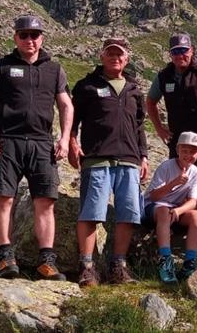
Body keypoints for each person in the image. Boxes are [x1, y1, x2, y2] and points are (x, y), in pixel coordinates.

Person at [0, 15, 73, 280]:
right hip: (7, 140)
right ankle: (5, 257)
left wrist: (65, 138)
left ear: (42, 37)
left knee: (45, 202)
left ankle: (46, 261)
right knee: (5, 198)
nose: (29, 40)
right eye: (24, 35)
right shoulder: (1, 66)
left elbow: (66, 105)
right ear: (15, 38)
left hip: (43, 143)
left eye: (34, 35)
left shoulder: (54, 69)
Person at [69, 37, 149, 287]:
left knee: (128, 214)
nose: (115, 58)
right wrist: (71, 141)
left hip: (128, 159)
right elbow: (72, 119)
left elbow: (139, 127)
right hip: (96, 158)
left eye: (120, 54)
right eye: (110, 54)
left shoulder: (134, 90)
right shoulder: (86, 86)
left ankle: (118, 267)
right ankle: (87, 267)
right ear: (101, 57)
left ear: (127, 59)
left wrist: (143, 156)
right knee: (91, 214)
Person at [145, 33, 197, 215]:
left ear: (191, 50)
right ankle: (173, 210)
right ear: (170, 54)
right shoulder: (163, 76)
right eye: (176, 51)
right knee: (176, 174)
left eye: (184, 50)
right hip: (179, 135)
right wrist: (159, 128)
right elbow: (150, 102)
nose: (180, 55)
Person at [142, 131, 197, 284]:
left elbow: (192, 201)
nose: (188, 155)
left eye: (193, 152)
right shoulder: (166, 166)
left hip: (174, 209)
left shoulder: (195, 172)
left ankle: (190, 262)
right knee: (163, 211)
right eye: (185, 151)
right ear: (177, 150)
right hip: (154, 207)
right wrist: (175, 183)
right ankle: (165, 259)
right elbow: (154, 196)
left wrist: (178, 210)